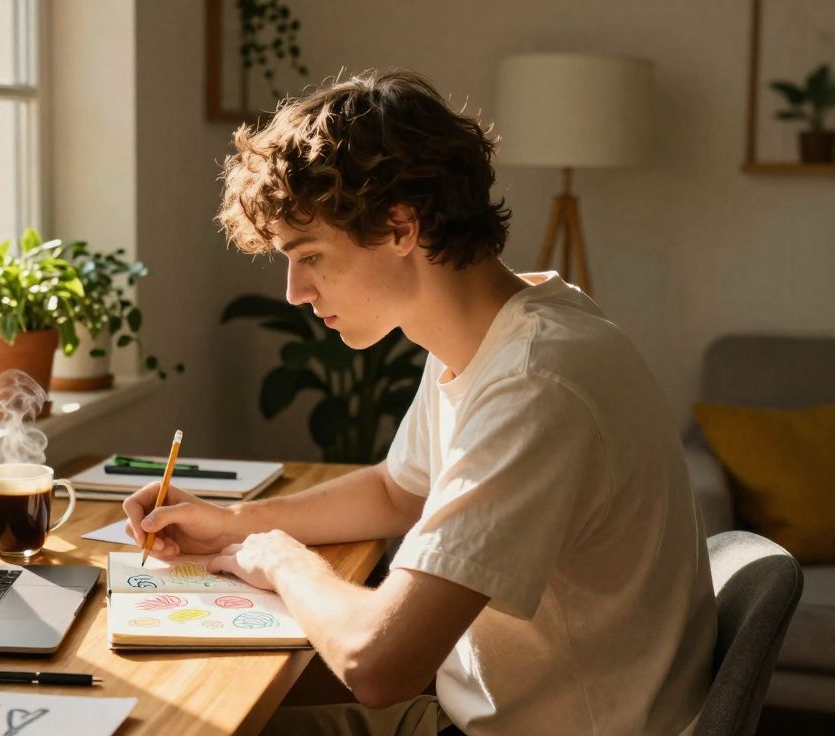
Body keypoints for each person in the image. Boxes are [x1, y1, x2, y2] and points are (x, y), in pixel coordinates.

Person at [123, 69, 716, 736]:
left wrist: (282, 558)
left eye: (309, 255)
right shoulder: (499, 329)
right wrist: (233, 524)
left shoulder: (536, 383)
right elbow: (398, 491)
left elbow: (378, 663)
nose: (294, 291)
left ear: (400, 226)